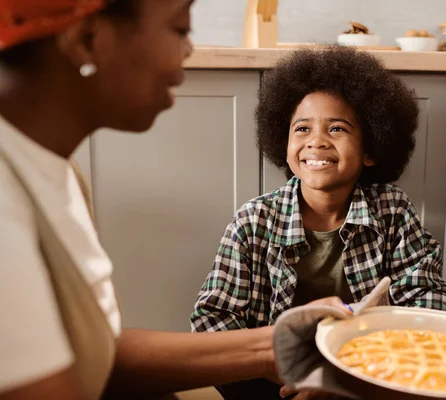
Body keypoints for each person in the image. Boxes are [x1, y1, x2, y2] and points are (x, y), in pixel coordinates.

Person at [0, 1, 352, 399]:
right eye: (180, 29)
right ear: (89, 39)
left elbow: (96, 353)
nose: (188, 49)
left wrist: (274, 346)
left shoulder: (53, 169)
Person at [191, 45, 446, 400]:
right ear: (283, 142)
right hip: (271, 377)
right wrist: (288, 370)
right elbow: (211, 320)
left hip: (365, 372)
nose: (316, 141)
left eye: (337, 128)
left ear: (371, 149)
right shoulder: (254, 220)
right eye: (301, 128)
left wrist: (356, 371)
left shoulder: (393, 211)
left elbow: (430, 298)